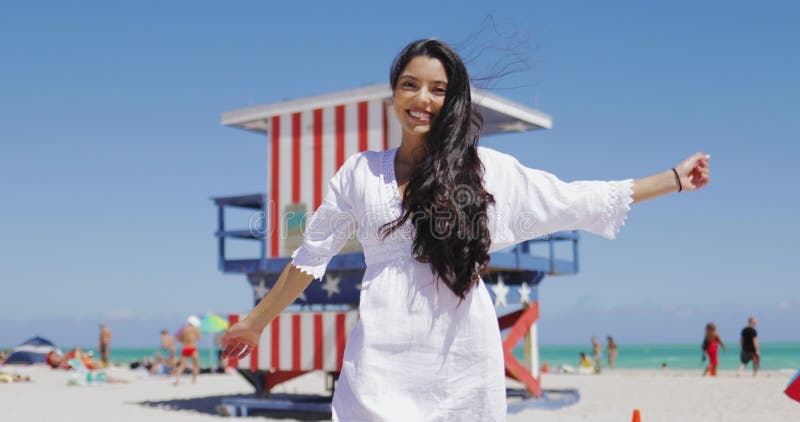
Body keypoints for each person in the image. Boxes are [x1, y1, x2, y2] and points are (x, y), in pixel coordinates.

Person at [220, 39, 711, 421]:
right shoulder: (359, 172)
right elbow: (310, 257)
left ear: (452, 100)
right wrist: (257, 321)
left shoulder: (481, 171)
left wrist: (672, 180)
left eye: (438, 89)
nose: (422, 99)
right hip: (380, 363)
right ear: (393, 92)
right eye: (410, 84)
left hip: (460, 364)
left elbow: (570, 198)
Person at [172, 315, 202, 385]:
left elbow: (180, 339)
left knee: (181, 366)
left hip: (185, 348)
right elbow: (199, 338)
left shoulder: (183, 329)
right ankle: (194, 381)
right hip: (192, 348)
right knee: (196, 365)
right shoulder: (195, 329)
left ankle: (177, 380)